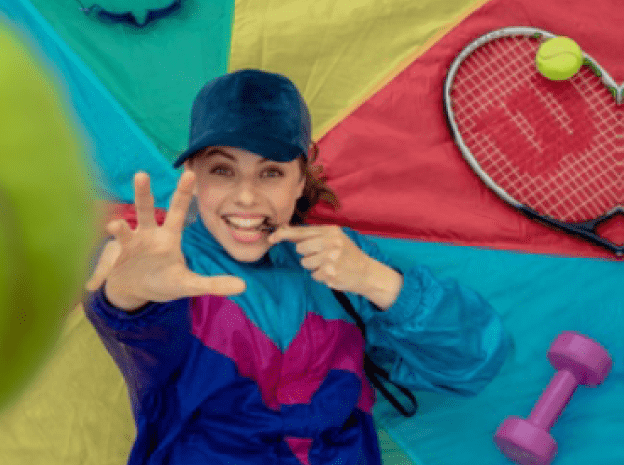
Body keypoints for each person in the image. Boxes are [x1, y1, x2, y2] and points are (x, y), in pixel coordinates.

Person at [83, 69, 512, 465]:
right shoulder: (168, 267)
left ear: (301, 180)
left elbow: (474, 360)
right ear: (193, 175)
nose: (246, 198)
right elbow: (130, 319)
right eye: (222, 170)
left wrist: (378, 282)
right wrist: (126, 296)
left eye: (270, 173)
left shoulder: (341, 258)